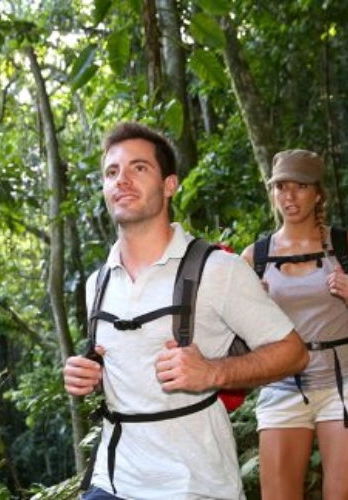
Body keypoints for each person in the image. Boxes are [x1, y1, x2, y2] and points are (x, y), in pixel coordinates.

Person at [63, 122, 309, 499]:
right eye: (112, 172)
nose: (122, 180)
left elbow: (294, 353)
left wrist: (213, 371)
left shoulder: (217, 269)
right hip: (113, 479)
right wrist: (90, 376)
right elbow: (128, 367)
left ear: (169, 185)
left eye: (138, 168)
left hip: (194, 483)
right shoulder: (97, 284)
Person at [240, 149, 348, 500]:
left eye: (300, 186)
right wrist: (254, 308)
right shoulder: (254, 257)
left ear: (318, 193)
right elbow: (242, 345)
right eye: (281, 187)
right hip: (281, 383)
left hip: (342, 381)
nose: (289, 196)